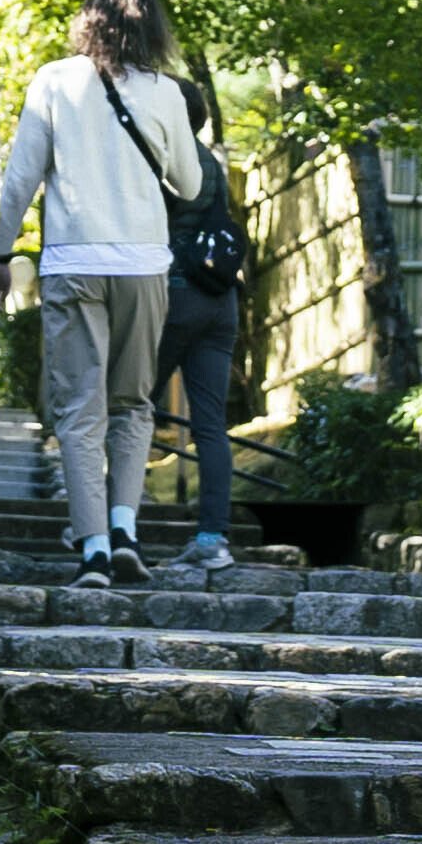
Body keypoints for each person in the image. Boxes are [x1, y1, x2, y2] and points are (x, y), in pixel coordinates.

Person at [0, 0, 200, 588]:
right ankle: (128, 529)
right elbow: (190, 184)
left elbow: (20, 178)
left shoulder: (54, 81)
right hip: (142, 266)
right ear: (151, 27)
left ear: (89, 22)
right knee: (133, 404)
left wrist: (2, 255)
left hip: (73, 264)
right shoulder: (165, 92)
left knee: (80, 411)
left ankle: (96, 551)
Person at [158, 75, 251, 571]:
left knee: (127, 409)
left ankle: (108, 532)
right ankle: (213, 539)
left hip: (175, 297)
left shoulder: (162, 161)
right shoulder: (212, 162)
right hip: (221, 302)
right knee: (211, 425)